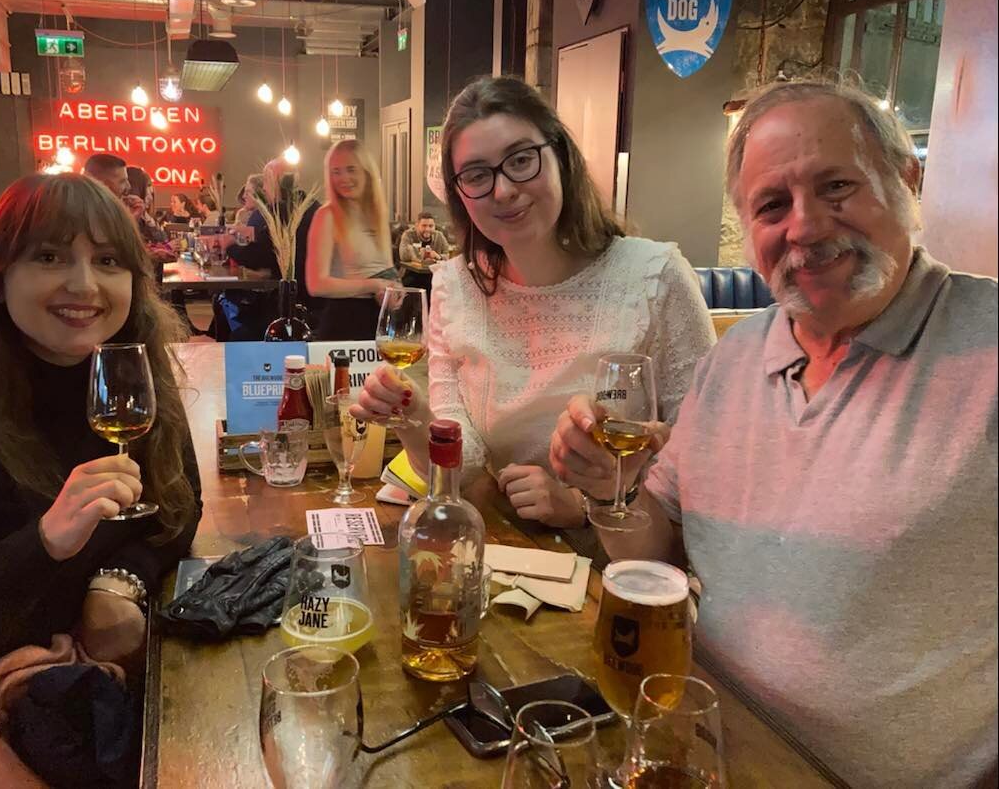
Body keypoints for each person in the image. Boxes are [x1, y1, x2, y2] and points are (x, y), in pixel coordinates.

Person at [549, 80, 998, 787]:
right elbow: (656, 544)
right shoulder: (732, 360)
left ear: (905, 179)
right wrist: (606, 490)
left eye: (836, 186)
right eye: (771, 205)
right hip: (700, 753)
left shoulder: (987, 345)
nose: (805, 226)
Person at [0, 173, 202, 784]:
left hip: (83, 704)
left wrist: (119, 581)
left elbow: (177, 510)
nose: (83, 284)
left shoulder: (129, 372)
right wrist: (44, 545)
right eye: (49, 257)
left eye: (108, 261)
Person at [352, 76, 715, 528]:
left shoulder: (654, 277)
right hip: (514, 559)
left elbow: (707, 468)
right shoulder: (456, 287)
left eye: (521, 160)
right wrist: (412, 417)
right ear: (460, 194)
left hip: (628, 572)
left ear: (560, 155)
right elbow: (460, 471)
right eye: (478, 175)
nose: (503, 190)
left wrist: (585, 508)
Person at [306, 139, 398, 340]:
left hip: (379, 324)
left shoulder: (377, 215)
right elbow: (315, 284)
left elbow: (388, 272)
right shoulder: (327, 215)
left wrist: (393, 292)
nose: (343, 178)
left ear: (366, 171)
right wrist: (373, 285)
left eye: (350, 169)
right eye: (336, 172)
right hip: (344, 324)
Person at [222, 161, 321, 340]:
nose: (264, 189)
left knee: (239, 335)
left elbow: (259, 257)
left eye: (266, 182)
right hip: (315, 302)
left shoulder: (280, 211)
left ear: (279, 182)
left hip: (295, 305)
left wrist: (229, 245)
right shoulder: (312, 206)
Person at [126, 166, 176, 266]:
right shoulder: (127, 217)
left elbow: (161, 239)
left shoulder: (143, 216)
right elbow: (129, 253)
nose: (150, 197)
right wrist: (166, 248)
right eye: (148, 190)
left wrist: (150, 221)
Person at [398, 211, 451, 291]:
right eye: (424, 226)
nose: (427, 229)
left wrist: (438, 256)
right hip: (411, 274)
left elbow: (447, 255)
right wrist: (420, 254)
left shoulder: (439, 235)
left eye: (431, 226)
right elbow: (403, 256)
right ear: (417, 226)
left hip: (434, 274)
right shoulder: (408, 235)